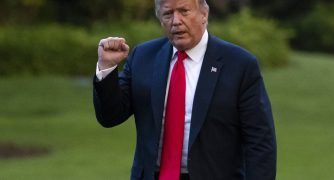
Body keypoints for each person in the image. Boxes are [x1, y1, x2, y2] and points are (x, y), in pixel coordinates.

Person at [93, 0, 276, 179]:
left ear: (204, 14)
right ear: (160, 19)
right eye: (168, 13)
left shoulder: (239, 64)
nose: (176, 21)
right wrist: (106, 68)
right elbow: (110, 116)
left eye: (184, 11)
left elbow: (260, 141)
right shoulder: (143, 56)